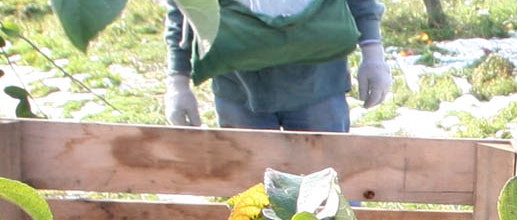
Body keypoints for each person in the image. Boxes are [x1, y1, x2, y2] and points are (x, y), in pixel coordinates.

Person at [162, 0, 390, 133]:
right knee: (253, 201)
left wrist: (373, 53)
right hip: (239, 89)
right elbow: (184, 9)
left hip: (317, 86)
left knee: (328, 196)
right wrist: (178, 83)